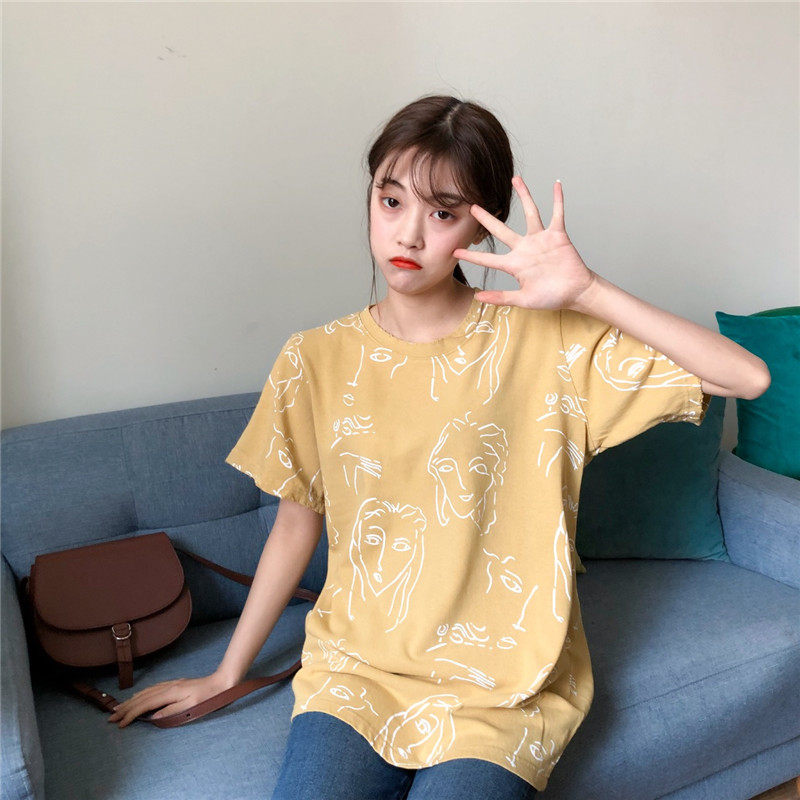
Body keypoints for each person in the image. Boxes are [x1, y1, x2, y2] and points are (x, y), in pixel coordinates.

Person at [105, 94, 770, 799]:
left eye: (443, 213)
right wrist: (226, 672)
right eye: (391, 200)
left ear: (483, 225)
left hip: (502, 685)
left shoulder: (546, 343)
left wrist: (588, 291)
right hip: (357, 671)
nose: (410, 234)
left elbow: (747, 377)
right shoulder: (313, 359)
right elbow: (296, 526)